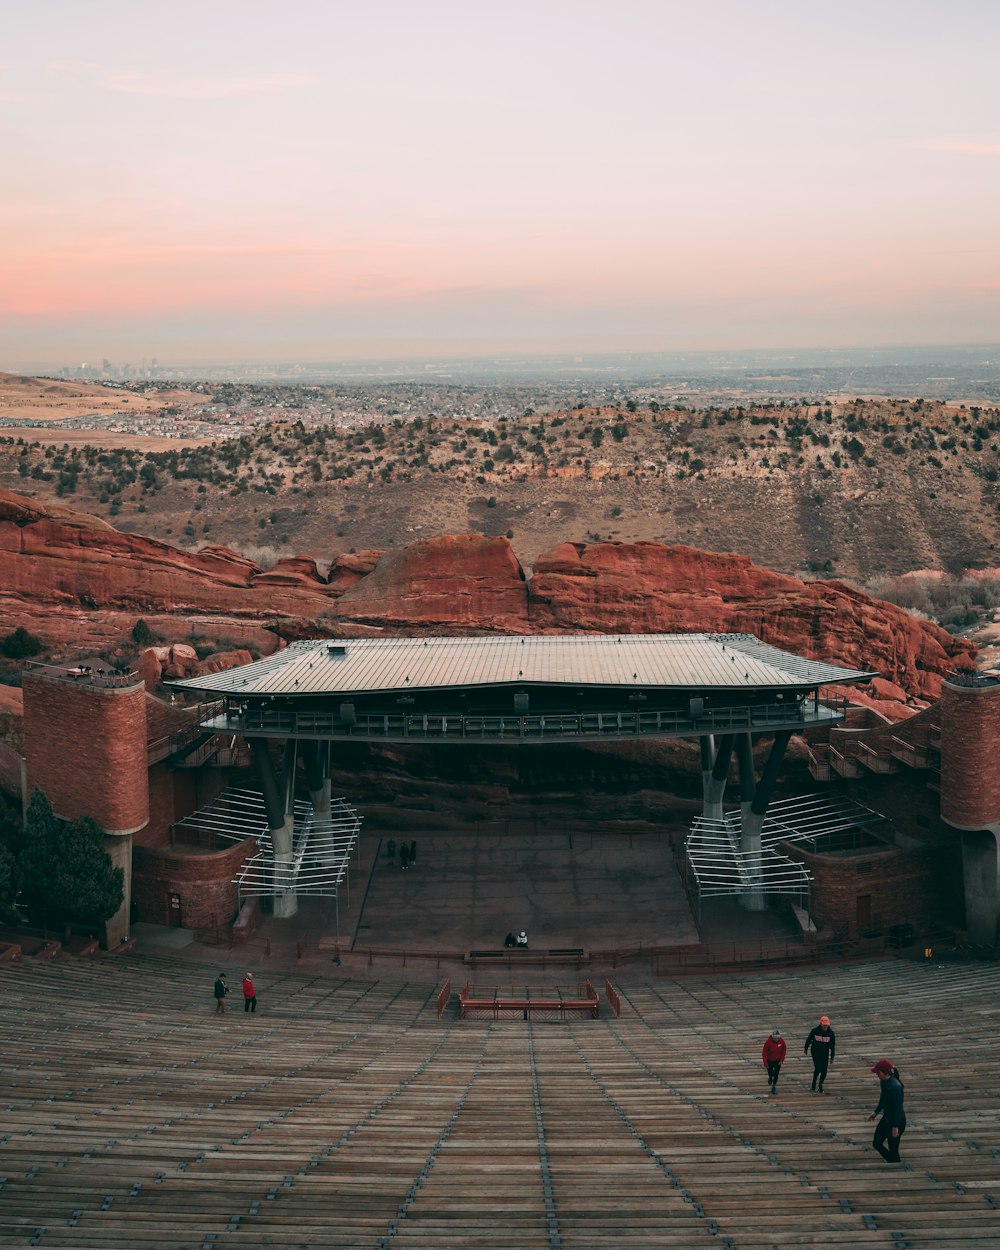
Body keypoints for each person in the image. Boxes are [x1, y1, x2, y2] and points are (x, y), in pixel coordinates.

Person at [868, 1059, 906, 1163]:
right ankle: (891, 1160)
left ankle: (895, 1165)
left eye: (878, 1072)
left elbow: (898, 1109)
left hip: (897, 1121)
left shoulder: (895, 1087)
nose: (877, 1074)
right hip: (887, 1118)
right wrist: (875, 1112)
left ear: (884, 1072)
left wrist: (895, 1127)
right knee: (876, 1143)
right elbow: (883, 1099)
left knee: (893, 1149)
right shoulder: (884, 1082)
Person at [804, 1014, 836, 1092]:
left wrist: (832, 1057)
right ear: (821, 1024)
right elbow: (808, 1040)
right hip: (815, 1052)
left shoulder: (831, 1034)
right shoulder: (815, 1031)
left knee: (824, 1070)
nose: (825, 1027)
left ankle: (820, 1084)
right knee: (818, 1067)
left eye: (827, 1025)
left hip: (825, 1053)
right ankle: (814, 1080)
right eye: (824, 1025)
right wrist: (806, 1048)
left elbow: (832, 1046)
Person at [762, 1029, 786, 1095]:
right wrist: (765, 1063)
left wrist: (781, 1060)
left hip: (778, 1061)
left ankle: (774, 1086)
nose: (776, 1039)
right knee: (771, 1073)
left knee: (776, 1074)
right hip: (769, 1060)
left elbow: (784, 1050)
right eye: (775, 1038)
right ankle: (770, 1077)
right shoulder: (768, 1042)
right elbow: (764, 1053)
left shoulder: (782, 1041)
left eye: (777, 1038)